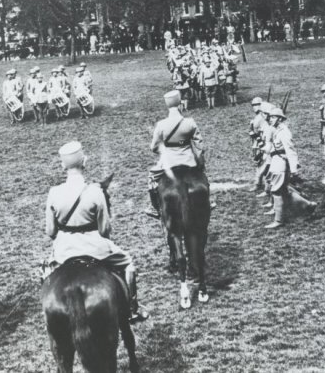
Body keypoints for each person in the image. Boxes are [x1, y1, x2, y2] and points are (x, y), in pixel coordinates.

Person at [45, 141, 149, 322]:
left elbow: (51, 231)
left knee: (46, 274)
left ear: (63, 165)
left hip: (63, 250)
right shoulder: (95, 192)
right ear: (84, 162)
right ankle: (133, 308)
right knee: (128, 264)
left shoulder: (54, 192)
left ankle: (48, 316)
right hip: (95, 246)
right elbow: (104, 230)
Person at [144, 90, 213, 218]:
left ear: (167, 106)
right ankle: (209, 200)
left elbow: (153, 147)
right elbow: (199, 145)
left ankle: (154, 207)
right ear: (180, 103)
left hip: (169, 162)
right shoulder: (190, 122)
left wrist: (165, 150)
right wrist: (199, 159)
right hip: (189, 161)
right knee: (203, 177)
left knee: (151, 178)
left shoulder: (161, 125)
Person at [263, 108, 317, 228]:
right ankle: (308, 205)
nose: (270, 119)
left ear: (280, 119)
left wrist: (293, 169)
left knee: (277, 191)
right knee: (284, 191)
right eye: (270, 117)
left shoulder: (284, 132)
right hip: (276, 162)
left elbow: (290, 151)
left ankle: (278, 220)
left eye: (273, 117)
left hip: (281, 164)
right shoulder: (277, 130)